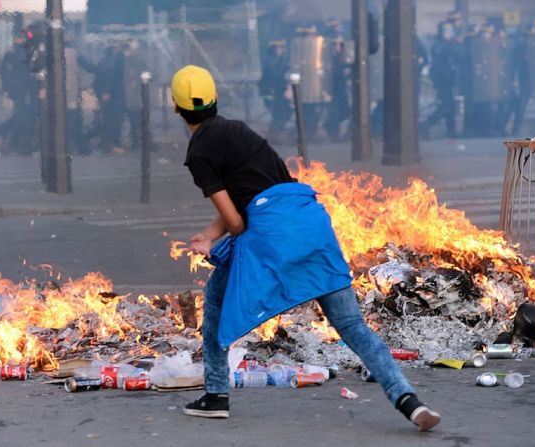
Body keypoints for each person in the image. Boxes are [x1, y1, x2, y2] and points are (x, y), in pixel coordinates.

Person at [171, 65, 441, 432]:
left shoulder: (199, 152)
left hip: (273, 238)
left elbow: (236, 222)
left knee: (217, 306)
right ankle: (409, 400)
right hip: (311, 228)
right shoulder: (238, 130)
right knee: (352, 326)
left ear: (176, 107)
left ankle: (216, 394)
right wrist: (209, 233)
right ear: (215, 99)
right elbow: (257, 193)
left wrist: (211, 240)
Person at [421, 21, 459, 139]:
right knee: (447, 105)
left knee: (450, 105)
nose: (450, 33)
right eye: (448, 31)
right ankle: (426, 124)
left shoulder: (445, 44)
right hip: (442, 80)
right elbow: (439, 67)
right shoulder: (441, 45)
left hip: (446, 79)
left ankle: (451, 131)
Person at [258, 39, 291, 140]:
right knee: (278, 113)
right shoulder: (269, 59)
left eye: (281, 48)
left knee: (284, 112)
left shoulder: (281, 59)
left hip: (279, 92)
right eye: (277, 47)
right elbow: (275, 74)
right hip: (270, 91)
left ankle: (274, 134)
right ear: (273, 49)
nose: (279, 50)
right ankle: (274, 135)